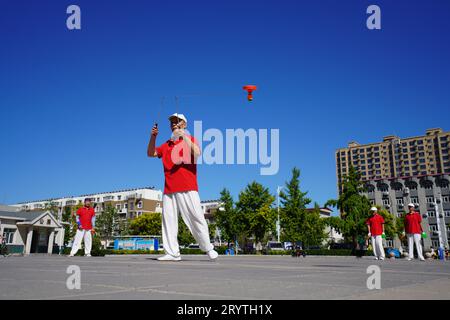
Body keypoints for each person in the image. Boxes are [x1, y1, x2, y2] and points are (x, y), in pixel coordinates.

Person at [147, 113, 218, 261]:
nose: (174, 124)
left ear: (184, 124)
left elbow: (197, 153)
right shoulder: (166, 144)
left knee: (196, 217)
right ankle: (172, 253)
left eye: (177, 121)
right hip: (169, 189)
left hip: (188, 187)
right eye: (172, 122)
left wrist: (183, 136)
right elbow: (150, 153)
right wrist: (153, 137)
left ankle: (208, 248)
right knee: (168, 221)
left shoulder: (190, 139)